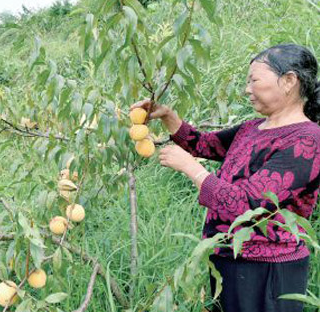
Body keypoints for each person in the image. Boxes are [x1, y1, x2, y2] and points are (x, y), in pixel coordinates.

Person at [132, 43, 319, 312]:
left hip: (268, 270)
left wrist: (193, 170)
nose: (247, 90)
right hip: (229, 261)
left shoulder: (308, 140)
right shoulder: (253, 128)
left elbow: (250, 206)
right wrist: (168, 116)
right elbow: (205, 145)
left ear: (289, 81)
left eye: (254, 81)